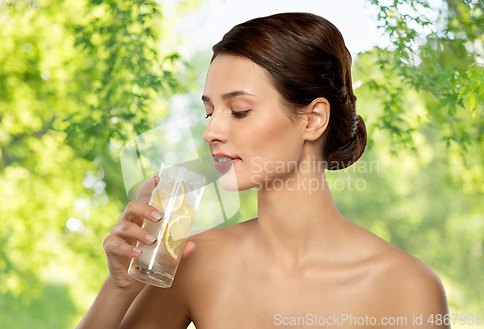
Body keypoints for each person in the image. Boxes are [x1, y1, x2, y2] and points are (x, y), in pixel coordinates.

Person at [77, 12, 450, 328]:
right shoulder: (193, 264)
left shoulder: (406, 288)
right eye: (209, 112)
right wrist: (120, 288)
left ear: (313, 119)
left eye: (239, 110)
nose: (211, 132)